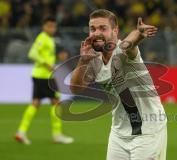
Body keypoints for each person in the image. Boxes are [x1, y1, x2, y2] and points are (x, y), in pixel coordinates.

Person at [71, 9, 167, 160]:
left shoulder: (124, 51)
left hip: (149, 131)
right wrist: (82, 61)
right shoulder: (94, 60)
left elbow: (130, 43)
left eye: (103, 28)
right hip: (119, 132)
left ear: (115, 31)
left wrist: (138, 32)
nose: (96, 33)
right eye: (93, 29)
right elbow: (75, 89)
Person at [15, 16, 74, 145]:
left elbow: (43, 54)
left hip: (38, 76)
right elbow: (32, 53)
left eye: (54, 26)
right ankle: (57, 134)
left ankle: (21, 132)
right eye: (50, 26)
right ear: (44, 27)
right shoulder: (42, 38)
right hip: (45, 77)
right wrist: (46, 64)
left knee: (35, 103)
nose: (52, 29)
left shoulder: (48, 39)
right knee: (56, 102)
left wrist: (57, 57)